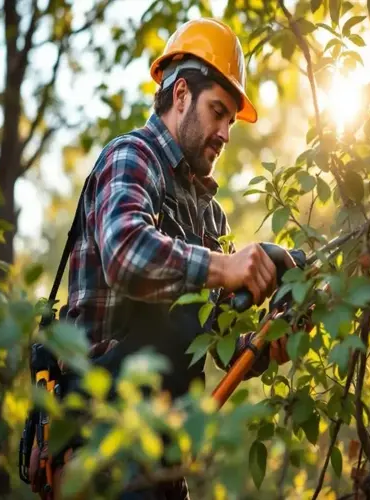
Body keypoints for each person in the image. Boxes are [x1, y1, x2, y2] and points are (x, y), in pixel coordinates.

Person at [52, 17, 294, 500]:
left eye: (230, 120)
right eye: (217, 112)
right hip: (100, 442)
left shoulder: (210, 214)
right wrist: (225, 266)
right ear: (180, 94)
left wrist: (259, 345)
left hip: (161, 458)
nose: (225, 132)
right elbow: (124, 252)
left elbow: (211, 332)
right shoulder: (130, 156)